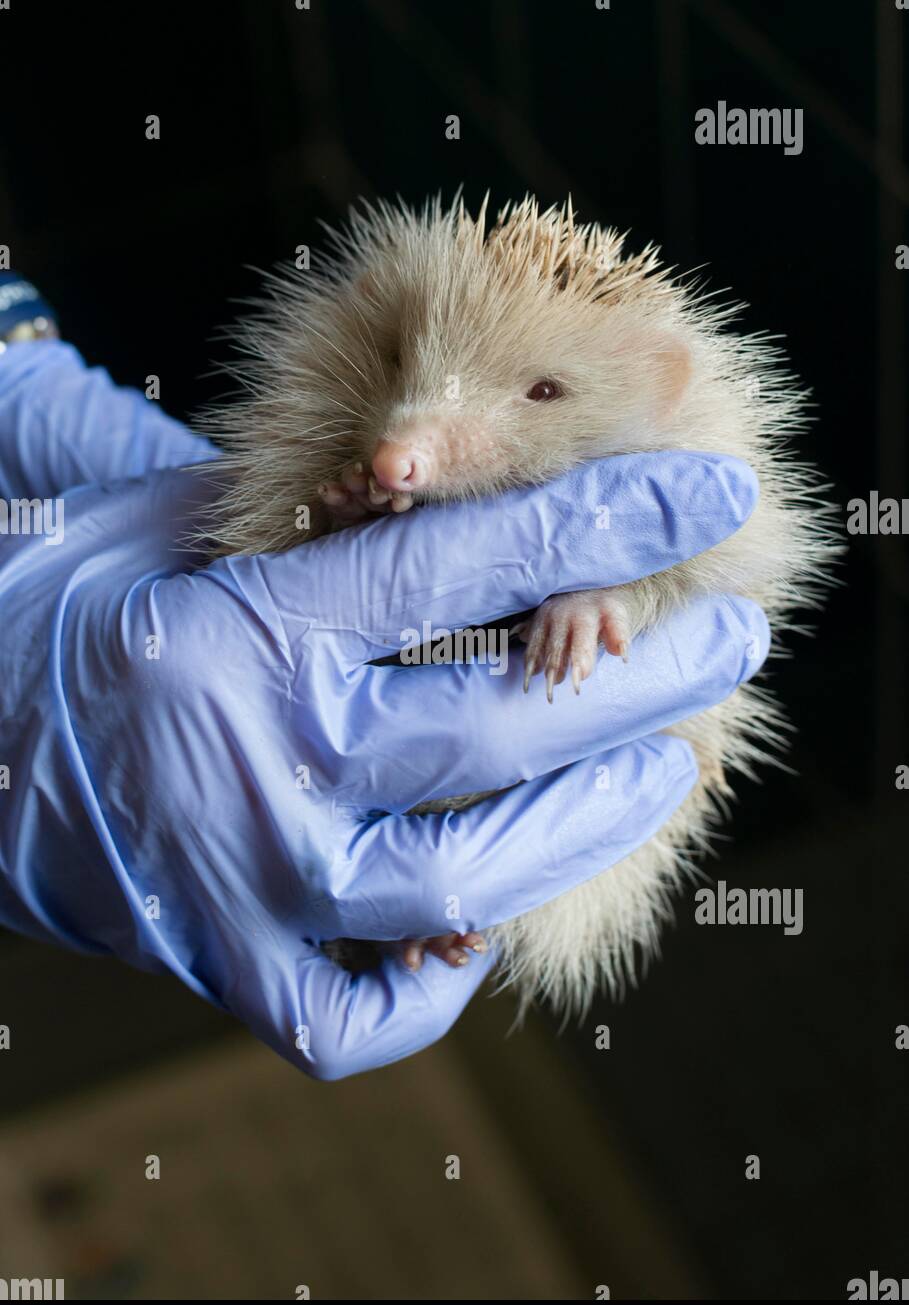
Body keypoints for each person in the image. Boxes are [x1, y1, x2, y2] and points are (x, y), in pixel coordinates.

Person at [0, 277, 768, 1079]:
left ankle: (411, 919)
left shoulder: (678, 469)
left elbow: (696, 577)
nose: (406, 448)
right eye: (413, 368)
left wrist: (614, 595)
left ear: (661, 387)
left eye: (541, 392)